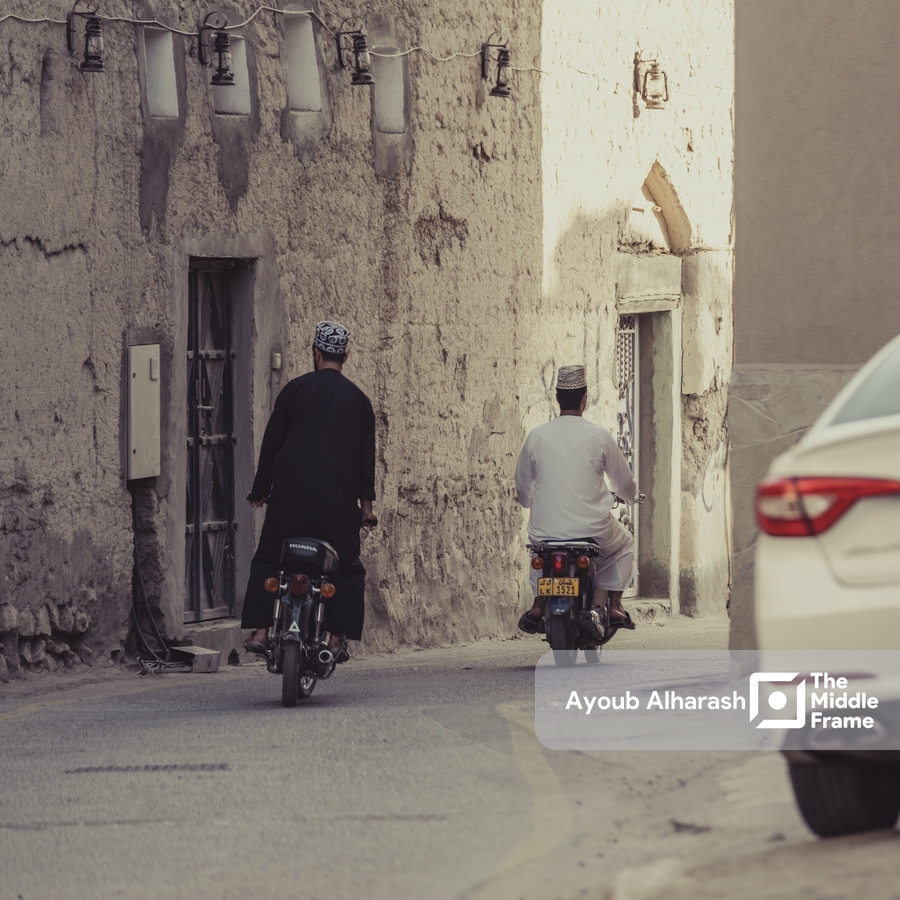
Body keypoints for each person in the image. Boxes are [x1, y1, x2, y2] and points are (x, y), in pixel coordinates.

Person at [241, 321, 377, 661]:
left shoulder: (293, 390)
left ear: (315, 353)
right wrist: (367, 508)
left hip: (290, 499)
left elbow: (271, 445)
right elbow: (365, 461)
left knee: (269, 558)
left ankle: (260, 630)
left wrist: (260, 491)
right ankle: (334, 640)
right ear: (345, 355)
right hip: (337, 505)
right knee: (347, 568)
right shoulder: (360, 402)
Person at [514, 364, 639, 634]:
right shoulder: (599, 436)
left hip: (545, 528)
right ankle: (614, 606)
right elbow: (624, 482)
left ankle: (538, 604)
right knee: (623, 544)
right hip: (592, 528)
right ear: (585, 399)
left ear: (557, 398)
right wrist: (630, 497)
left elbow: (523, 489)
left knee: (540, 552)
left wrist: (529, 502)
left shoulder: (536, 436)